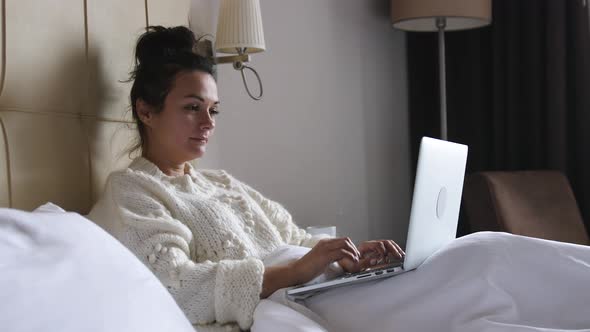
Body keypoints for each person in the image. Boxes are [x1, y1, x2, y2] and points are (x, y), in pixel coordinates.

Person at [88, 26, 405, 331]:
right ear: (145, 112)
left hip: (316, 290)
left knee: (450, 262)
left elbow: (295, 240)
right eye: (192, 107)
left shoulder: (220, 182)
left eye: (213, 110)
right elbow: (176, 286)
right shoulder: (132, 189)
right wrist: (296, 270)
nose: (207, 122)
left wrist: (346, 257)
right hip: (281, 309)